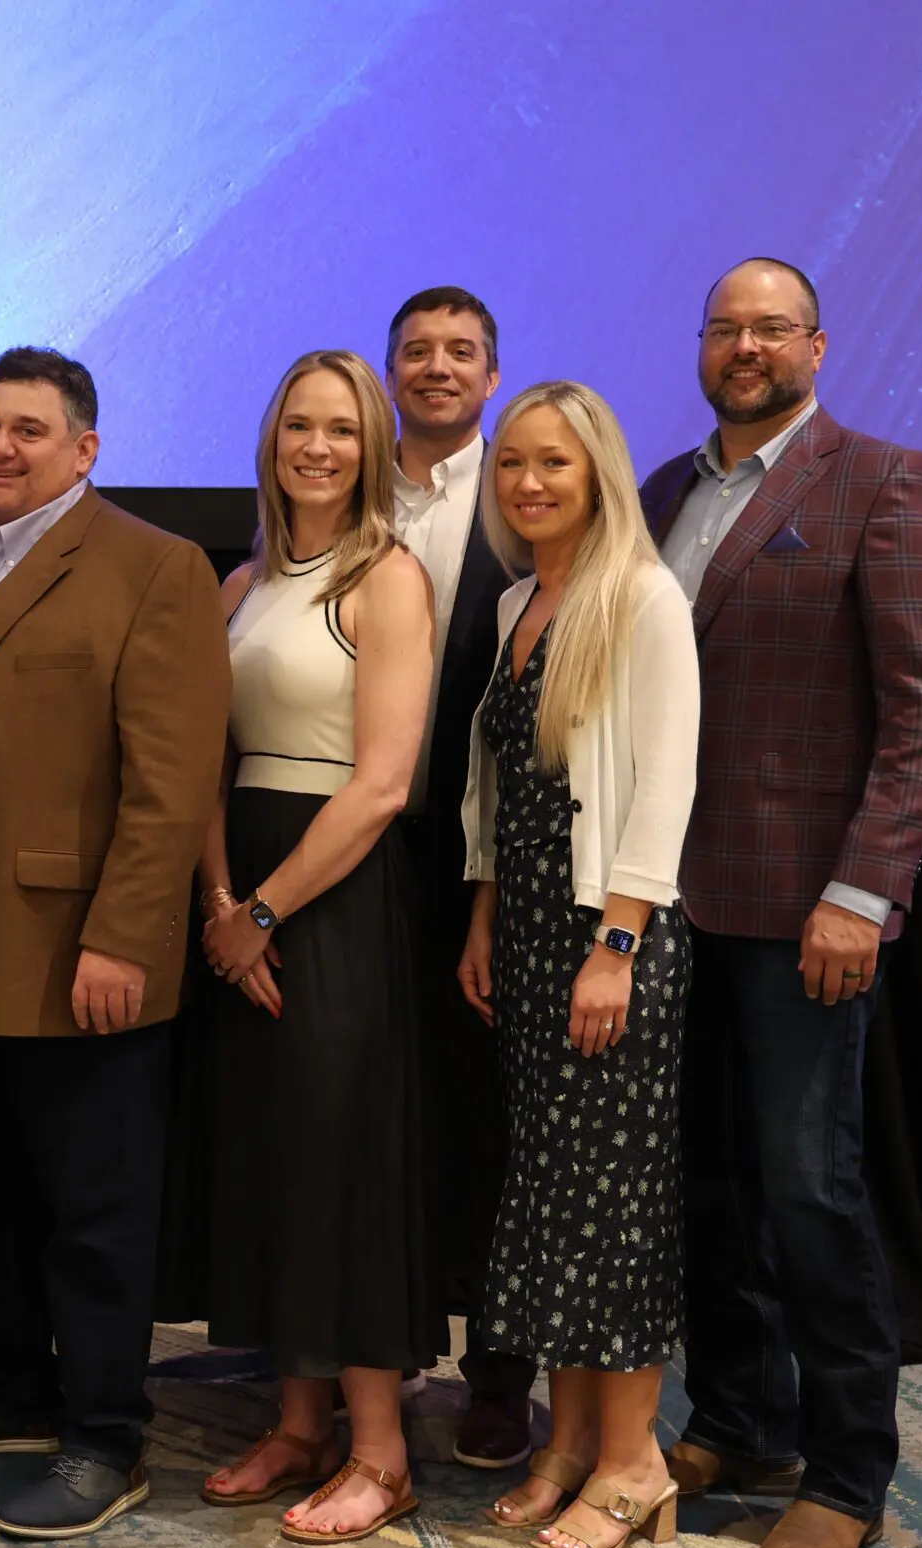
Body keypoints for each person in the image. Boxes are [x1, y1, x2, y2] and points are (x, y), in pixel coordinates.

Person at [644, 258, 922, 1548]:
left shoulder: (887, 481)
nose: (744, 344)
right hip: (673, 902)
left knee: (808, 1182)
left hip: (805, 913)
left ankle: (848, 1467)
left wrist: (861, 888)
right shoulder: (665, 490)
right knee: (710, 1185)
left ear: (817, 346)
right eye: (723, 325)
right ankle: (741, 1420)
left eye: (769, 327)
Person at [0, 347, 231, 1540]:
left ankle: (105, 1436)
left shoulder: (154, 566)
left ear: (85, 449)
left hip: (78, 954)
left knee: (94, 1212)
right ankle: (19, 1383)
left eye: (29, 429)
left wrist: (125, 935)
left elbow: (170, 782)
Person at [191, 350, 443, 1545]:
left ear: (375, 446)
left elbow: (383, 785)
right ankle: (296, 1425)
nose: (318, 448)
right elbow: (201, 758)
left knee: (341, 1162)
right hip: (240, 892)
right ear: (269, 438)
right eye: (299, 424)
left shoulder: (384, 579)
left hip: (328, 900)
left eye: (343, 429)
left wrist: (265, 913)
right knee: (271, 1159)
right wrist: (217, 900)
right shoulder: (239, 582)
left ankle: (381, 1455)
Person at [454, 380, 701, 1548]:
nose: (529, 483)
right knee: (550, 1204)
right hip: (536, 938)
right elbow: (500, 792)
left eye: (553, 463)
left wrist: (615, 945)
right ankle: (563, 1443)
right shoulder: (516, 603)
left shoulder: (643, 598)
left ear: (598, 473)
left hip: (615, 947)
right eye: (511, 464)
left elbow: (664, 785)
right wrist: (486, 918)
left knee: (617, 1212)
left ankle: (631, 1460)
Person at [382, 287, 534, 1470]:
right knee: (361, 1117)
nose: (437, 368)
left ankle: (497, 1376)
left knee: (491, 1127)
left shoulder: (529, 496)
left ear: (492, 375)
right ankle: (368, 1357)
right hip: (355, 848)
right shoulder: (339, 485)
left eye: (461, 353)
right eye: (417, 351)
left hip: (487, 862)